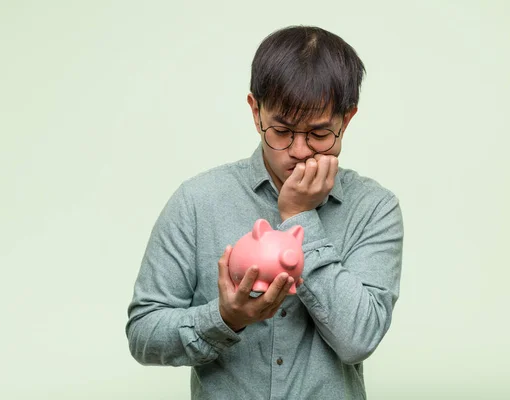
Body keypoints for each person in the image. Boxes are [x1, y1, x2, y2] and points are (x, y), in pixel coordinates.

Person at [126, 25, 404, 399]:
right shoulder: (198, 200)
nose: (301, 150)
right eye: (282, 131)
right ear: (256, 112)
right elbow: (143, 334)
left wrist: (299, 217)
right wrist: (225, 319)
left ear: (347, 120)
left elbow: (359, 339)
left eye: (320, 134)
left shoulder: (374, 208)